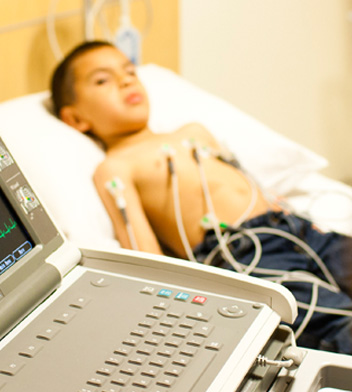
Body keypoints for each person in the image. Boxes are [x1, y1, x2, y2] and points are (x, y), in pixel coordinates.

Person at [50, 40, 352, 354]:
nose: (126, 80)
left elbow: (247, 181)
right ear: (75, 119)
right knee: (336, 323)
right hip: (248, 255)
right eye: (103, 80)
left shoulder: (193, 132)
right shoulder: (116, 168)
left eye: (129, 71)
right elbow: (147, 259)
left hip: (300, 230)